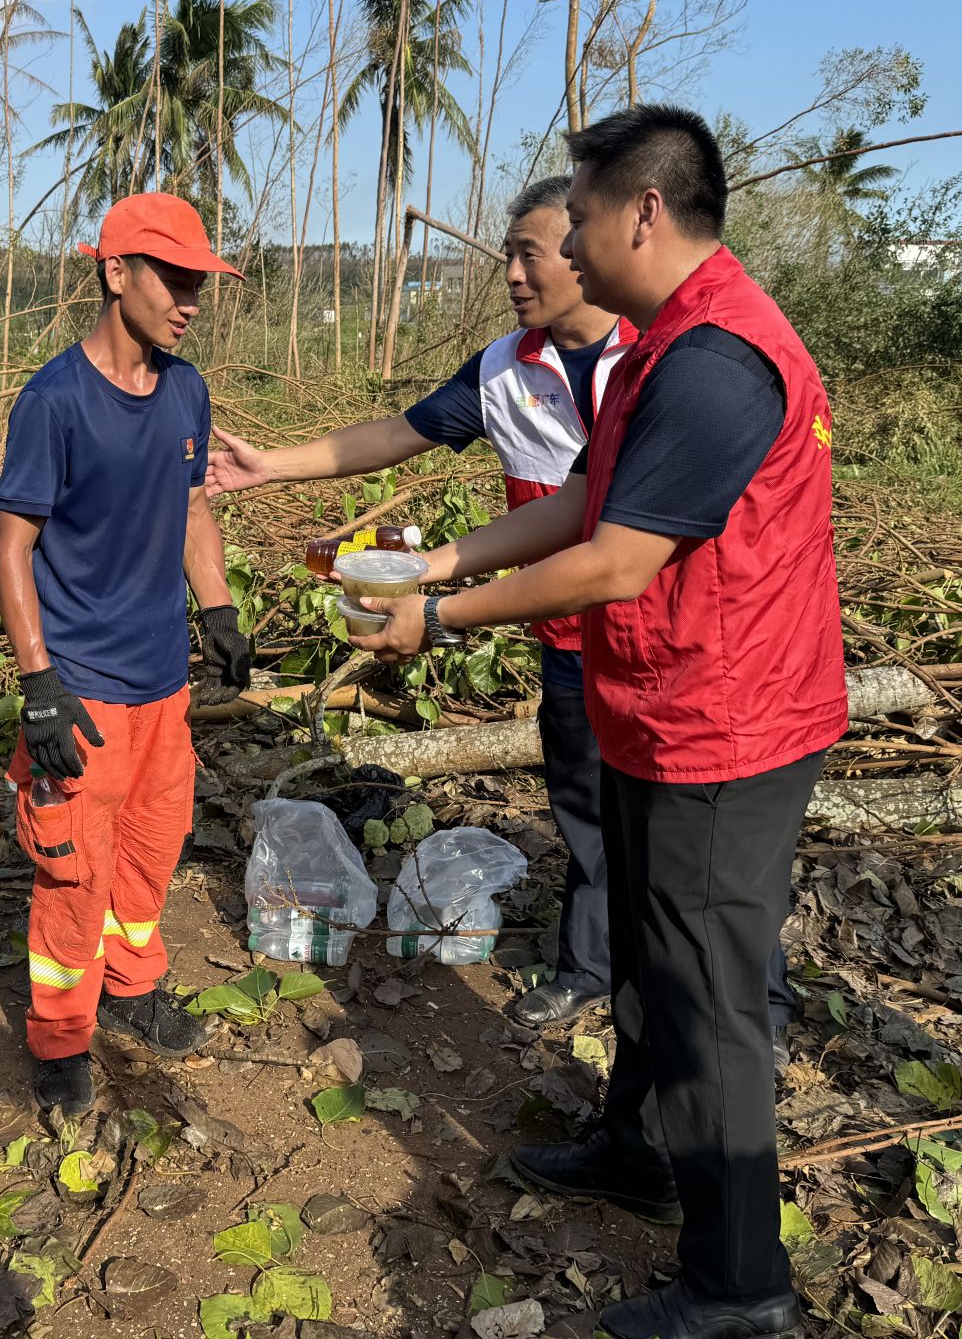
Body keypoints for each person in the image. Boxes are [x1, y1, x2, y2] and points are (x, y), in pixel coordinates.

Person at [351, 106, 846, 1339]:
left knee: (712, 1003)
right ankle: (635, 1148)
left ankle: (742, 1287)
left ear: (643, 212)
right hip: (655, 711)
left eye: (575, 214)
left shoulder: (721, 360)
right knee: (646, 958)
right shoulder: (655, 348)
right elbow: (585, 497)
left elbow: (619, 560)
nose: (560, 238)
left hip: (723, 734)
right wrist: (438, 563)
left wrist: (444, 620)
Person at [206, 176, 795, 1054]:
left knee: (696, 851)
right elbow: (399, 435)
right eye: (508, 254)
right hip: (566, 635)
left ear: (595, 243)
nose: (513, 273)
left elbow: (624, 543)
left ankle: (749, 1011)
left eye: (534, 250)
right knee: (589, 813)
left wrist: (439, 611)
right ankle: (593, 971)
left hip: (677, 651)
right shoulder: (504, 366)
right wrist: (274, 467)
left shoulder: (676, 357)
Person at [0, 192, 253, 1116]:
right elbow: (14, 544)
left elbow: (191, 507)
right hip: (84, 693)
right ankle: (61, 1037)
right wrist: (36, 683)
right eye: (175, 279)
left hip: (162, 687)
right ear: (115, 273)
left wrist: (216, 609)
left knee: (150, 850)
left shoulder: (187, 390)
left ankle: (134, 991)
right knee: (73, 868)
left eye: (200, 283)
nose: (191, 300)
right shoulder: (54, 401)